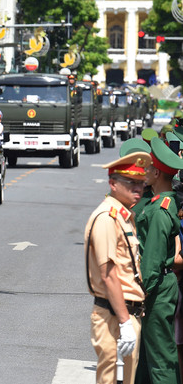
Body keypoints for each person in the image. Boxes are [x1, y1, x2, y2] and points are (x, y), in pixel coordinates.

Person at [85, 151, 150, 384]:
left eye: (141, 183)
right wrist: (124, 322)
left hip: (126, 314)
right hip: (114, 316)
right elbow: (108, 275)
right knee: (111, 380)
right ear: (113, 183)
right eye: (131, 183)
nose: (138, 189)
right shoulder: (107, 218)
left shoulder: (123, 216)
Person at [134, 138, 183, 384]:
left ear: (156, 172)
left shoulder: (160, 211)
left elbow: (151, 264)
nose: (143, 171)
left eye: (147, 167)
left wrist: (136, 296)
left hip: (156, 292)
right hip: (159, 288)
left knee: (161, 360)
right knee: (145, 358)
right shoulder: (160, 204)